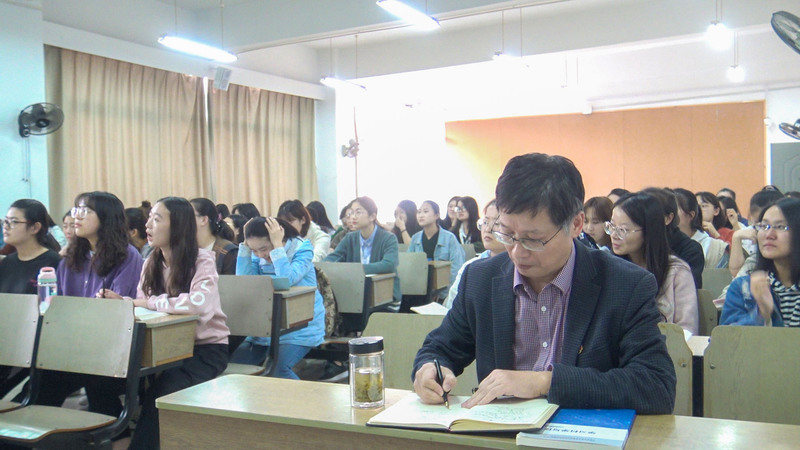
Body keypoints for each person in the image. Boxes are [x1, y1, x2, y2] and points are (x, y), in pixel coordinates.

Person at [413, 153, 675, 414]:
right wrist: (430, 369)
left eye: (533, 239)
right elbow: (440, 348)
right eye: (507, 234)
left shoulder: (625, 285)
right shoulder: (480, 279)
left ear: (576, 224)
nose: (517, 252)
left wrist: (544, 382)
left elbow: (656, 386)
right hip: (501, 432)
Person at [103, 196, 230, 449]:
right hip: (160, 348)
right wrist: (124, 303)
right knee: (101, 380)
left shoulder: (202, 260)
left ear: (178, 225)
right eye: (149, 218)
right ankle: (118, 440)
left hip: (204, 350)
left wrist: (145, 303)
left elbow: (197, 306)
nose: (148, 225)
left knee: (160, 395)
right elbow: (143, 308)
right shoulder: (151, 261)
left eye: (157, 219)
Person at [28, 192, 144, 427]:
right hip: (74, 346)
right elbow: (59, 305)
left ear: (106, 217)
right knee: (41, 383)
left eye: (85, 211)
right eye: (76, 210)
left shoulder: (127, 256)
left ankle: (114, 436)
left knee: (98, 386)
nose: (76, 216)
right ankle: (28, 432)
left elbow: (119, 307)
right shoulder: (71, 257)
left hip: (110, 348)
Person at [230, 216, 325, 378]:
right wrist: (246, 247)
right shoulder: (257, 252)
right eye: (254, 250)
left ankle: (309, 396)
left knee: (278, 370)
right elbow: (245, 281)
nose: (260, 255)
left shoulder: (302, 249)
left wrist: (276, 246)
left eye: (264, 248)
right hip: (265, 326)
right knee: (235, 367)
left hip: (300, 327)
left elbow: (287, 279)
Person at [608, 193, 699, 334]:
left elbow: (686, 331)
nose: (614, 235)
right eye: (612, 226)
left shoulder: (677, 273)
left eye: (623, 230)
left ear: (649, 231)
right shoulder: (609, 268)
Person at [0, 199, 62, 398]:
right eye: (5, 221)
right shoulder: (6, 263)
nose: (6, 227)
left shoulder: (52, 263)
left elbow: (54, 312)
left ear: (35, 227)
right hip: (6, 340)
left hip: (33, 345)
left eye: (13, 222)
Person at [720, 197, 800, 327]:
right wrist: (761, 315)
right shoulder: (744, 288)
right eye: (764, 226)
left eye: (780, 227)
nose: (769, 234)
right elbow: (726, 337)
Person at [325, 196, 401, 306]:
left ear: (372, 216)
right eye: (351, 212)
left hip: (386, 297)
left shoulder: (388, 238)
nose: (353, 217)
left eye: (358, 212)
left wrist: (355, 270)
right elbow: (332, 258)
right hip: (357, 295)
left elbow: (389, 264)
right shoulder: (350, 238)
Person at [443, 199, 506, 309]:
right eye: (485, 222)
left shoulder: (521, 268)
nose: (488, 229)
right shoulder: (470, 267)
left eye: (497, 223)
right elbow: (451, 307)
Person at [406, 200, 465, 310]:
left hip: (444, 294)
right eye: (419, 212)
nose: (421, 215)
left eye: (425, 211)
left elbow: (456, 268)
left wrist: (444, 294)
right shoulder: (415, 239)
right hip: (420, 292)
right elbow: (409, 268)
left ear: (437, 215)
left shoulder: (449, 238)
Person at [643, 187, 704, 288]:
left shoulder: (690, 250)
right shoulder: (632, 244)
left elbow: (688, 291)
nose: (640, 220)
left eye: (647, 215)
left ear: (668, 218)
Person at [673, 188, 728, 269]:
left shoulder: (716, 248)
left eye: (674, 209)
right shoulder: (661, 244)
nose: (669, 215)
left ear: (691, 215)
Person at [191, 197, 238, 275]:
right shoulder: (186, 249)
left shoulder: (227, 251)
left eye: (189, 216)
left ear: (204, 220)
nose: (184, 220)